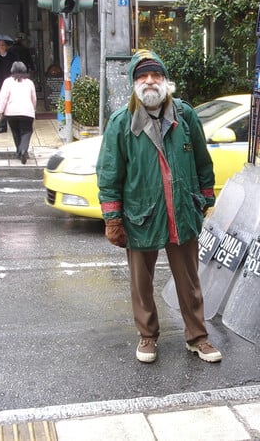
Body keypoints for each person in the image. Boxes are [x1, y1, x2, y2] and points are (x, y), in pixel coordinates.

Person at [96, 49, 222, 364]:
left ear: (165, 81)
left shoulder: (185, 115)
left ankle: (198, 338)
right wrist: (113, 218)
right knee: (142, 284)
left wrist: (205, 198)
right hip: (140, 216)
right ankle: (148, 337)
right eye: (143, 76)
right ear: (134, 83)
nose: (150, 81)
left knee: (190, 282)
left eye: (156, 75)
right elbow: (109, 173)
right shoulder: (121, 122)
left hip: (181, 211)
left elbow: (202, 161)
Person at [0, 61, 36, 164]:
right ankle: (23, 150)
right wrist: (33, 109)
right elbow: (34, 98)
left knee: (15, 132)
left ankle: (19, 152)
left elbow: (3, 97)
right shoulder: (29, 82)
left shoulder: (7, 82)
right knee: (27, 131)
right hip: (27, 112)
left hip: (11, 113)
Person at [0, 39, 18, 133]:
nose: (1, 47)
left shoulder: (12, 56)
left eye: (3, 45)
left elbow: (17, 67)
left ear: (6, 46)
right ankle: (2, 126)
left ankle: (14, 124)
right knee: (2, 103)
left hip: (11, 81)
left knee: (12, 103)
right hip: (0, 83)